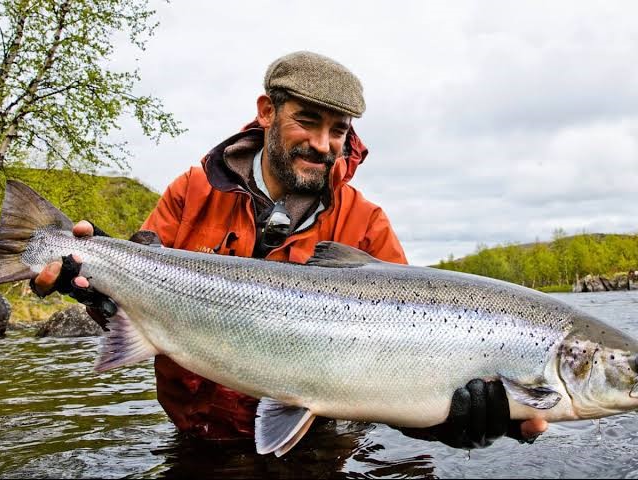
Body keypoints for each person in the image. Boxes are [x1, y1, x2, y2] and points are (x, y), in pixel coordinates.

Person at [32, 51, 547, 449]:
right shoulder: (192, 191)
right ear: (267, 112)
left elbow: (401, 369)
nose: (323, 144)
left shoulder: (366, 224)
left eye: (338, 130)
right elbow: (142, 303)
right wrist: (99, 291)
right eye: (308, 121)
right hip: (201, 439)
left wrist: (448, 423)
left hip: (320, 443)